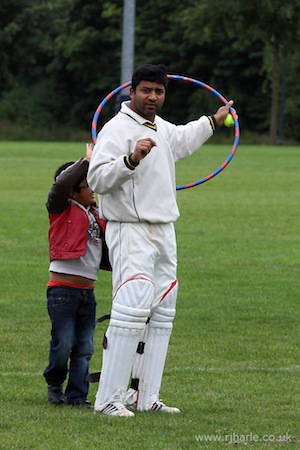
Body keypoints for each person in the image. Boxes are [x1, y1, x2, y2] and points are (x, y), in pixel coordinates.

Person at [87, 64, 236, 417]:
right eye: (146, 90)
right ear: (132, 91)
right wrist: (132, 159)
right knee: (131, 310)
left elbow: (182, 139)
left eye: (159, 91)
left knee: (162, 312)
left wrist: (214, 121)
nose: (153, 97)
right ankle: (108, 398)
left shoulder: (161, 127)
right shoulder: (116, 129)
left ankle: (145, 397)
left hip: (163, 228)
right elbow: (97, 179)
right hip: (130, 227)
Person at [43, 143, 108, 408]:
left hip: (87, 293)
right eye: (88, 184)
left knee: (84, 348)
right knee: (64, 344)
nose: (93, 189)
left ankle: (78, 396)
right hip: (62, 292)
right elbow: (60, 186)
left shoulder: (97, 214)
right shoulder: (61, 209)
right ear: (72, 192)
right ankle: (55, 384)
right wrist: (86, 162)